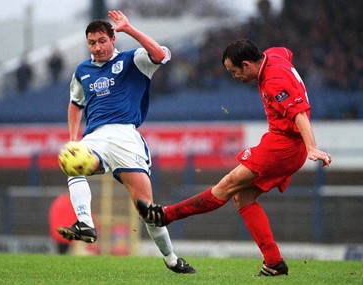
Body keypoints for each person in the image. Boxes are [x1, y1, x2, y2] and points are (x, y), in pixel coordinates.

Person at [138, 39, 332, 276]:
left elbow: (299, 112)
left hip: (284, 146)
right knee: (243, 196)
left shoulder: (273, 81)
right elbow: (286, 52)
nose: (234, 77)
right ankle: (273, 263)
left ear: (247, 64)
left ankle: (166, 215)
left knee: (228, 185)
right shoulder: (274, 56)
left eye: (234, 71)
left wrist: (313, 147)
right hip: (284, 142)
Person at [57, 10, 196, 274]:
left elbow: (161, 55)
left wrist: (130, 29)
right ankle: (85, 223)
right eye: (91, 42)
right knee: (70, 161)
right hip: (96, 137)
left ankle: (171, 259)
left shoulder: (133, 60)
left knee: (147, 210)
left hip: (126, 138)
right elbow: (76, 104)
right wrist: (74, 140)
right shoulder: (82, 71)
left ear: (113, 39)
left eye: (101, 41)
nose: (97, 47)